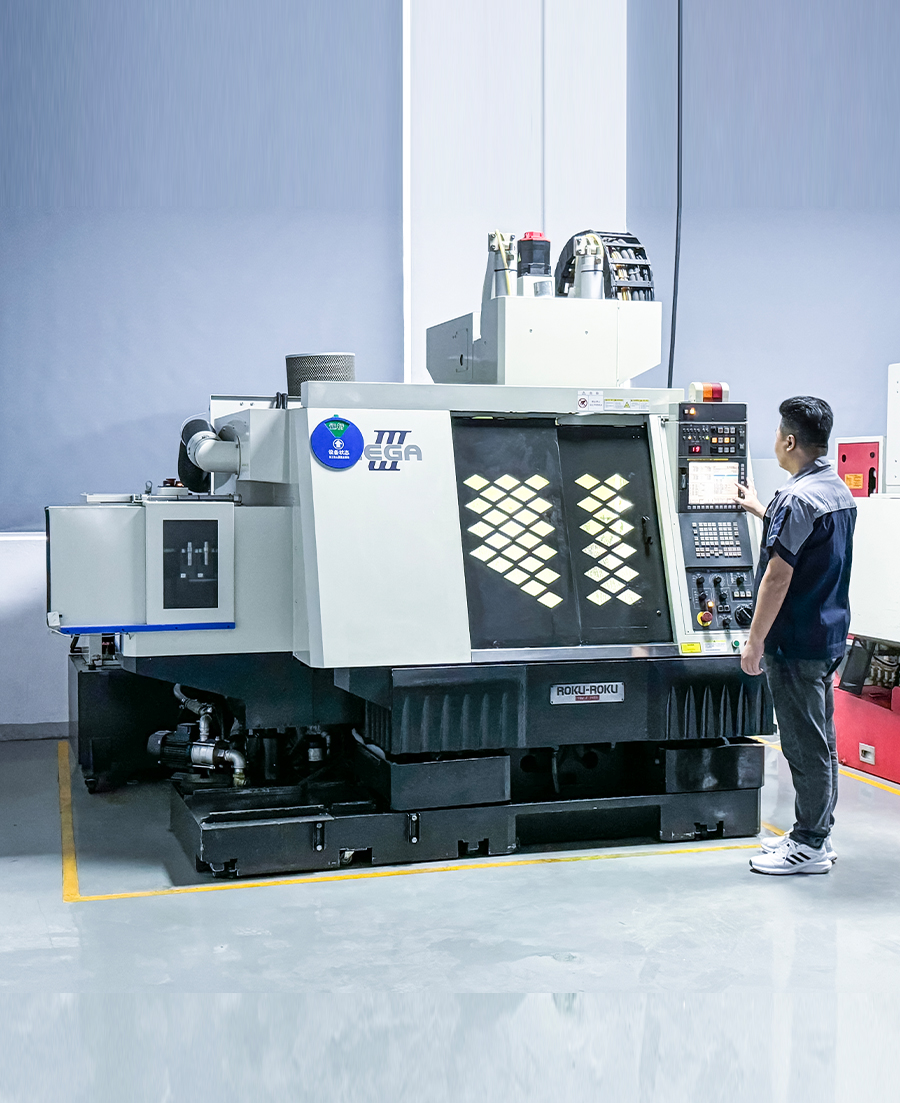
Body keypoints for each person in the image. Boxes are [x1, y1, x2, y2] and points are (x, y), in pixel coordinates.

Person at [733, 396, 856, 875]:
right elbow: (809, 542)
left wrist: (755, 641)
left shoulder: (796, 498)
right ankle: (819, 831)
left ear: (788, 441)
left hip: (795, 642)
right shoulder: (835, 490)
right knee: (822, 741)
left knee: (804, 746)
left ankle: (808, 845)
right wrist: (761, 509)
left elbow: (777, 577)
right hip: (827, 636)